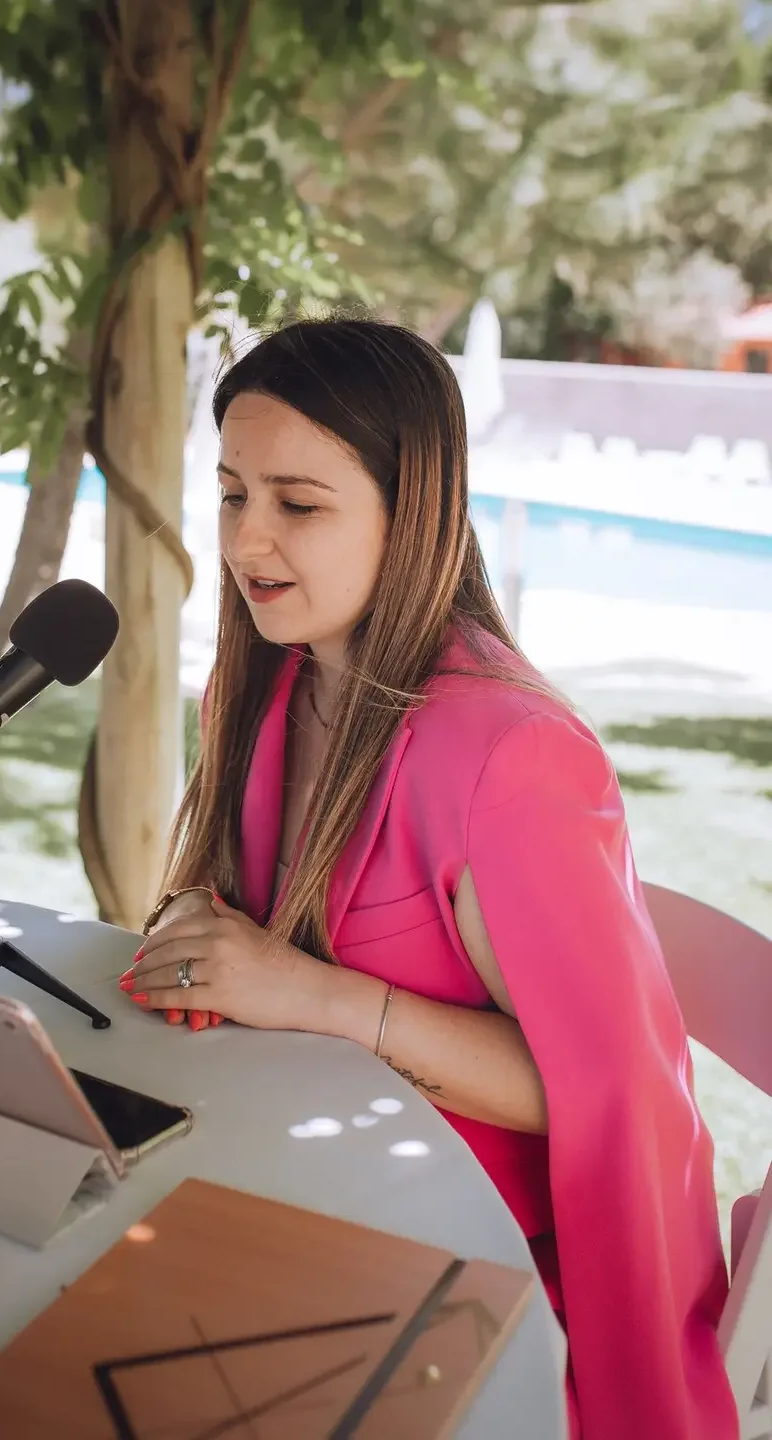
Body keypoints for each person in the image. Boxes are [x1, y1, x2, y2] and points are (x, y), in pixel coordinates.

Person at [118, 318, 736, 1439]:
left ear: (419, 515)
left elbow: (600, 1096)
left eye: (298, 504)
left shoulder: (513, 756)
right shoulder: (256, 687)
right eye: (230, 493)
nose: (248, 540)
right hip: (291, 1177)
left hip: (478, 1266)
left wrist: (309, 996)